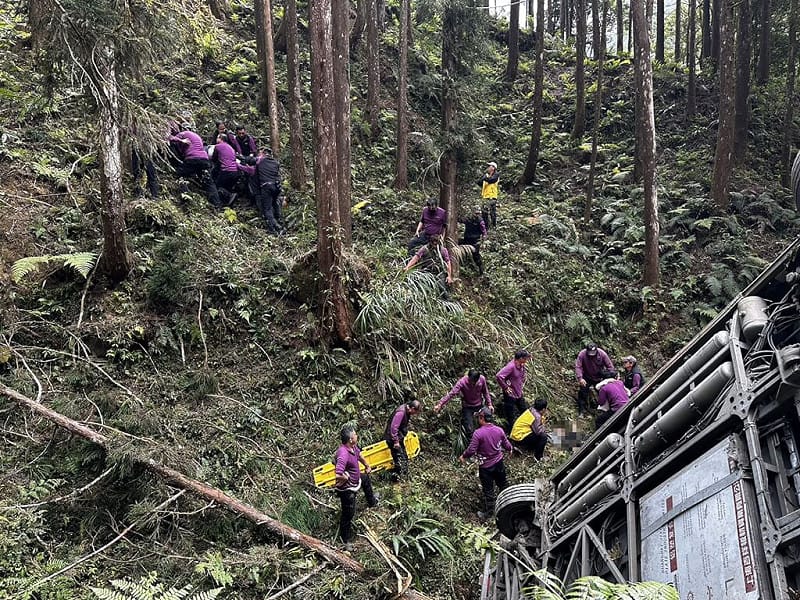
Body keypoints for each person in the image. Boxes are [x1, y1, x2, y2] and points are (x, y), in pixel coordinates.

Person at [459, 407, 512, 520]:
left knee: (488, 490)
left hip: (486, 467)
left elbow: (472, 450)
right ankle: (509, 504)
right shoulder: (499, 430)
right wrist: (510, 449)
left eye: (479, 417)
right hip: (499, 463)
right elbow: (506, 444)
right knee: (503, 484)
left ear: (482, 418)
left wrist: (464, 456)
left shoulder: (478, 433)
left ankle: (489, 513)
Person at [334, 424, 379, 546]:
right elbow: (338, 474)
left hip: (356, 480)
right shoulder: (343, 453)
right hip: (347, 489)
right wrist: (345, 477)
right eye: (355, 434)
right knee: (348, 514)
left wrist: (367, 465)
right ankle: (345, 540)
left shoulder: (353, 447)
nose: (357, 435)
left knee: (365, 479)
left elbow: (359, 455)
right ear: (350, 439)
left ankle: (372, 501)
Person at [169, 123, 220, 207]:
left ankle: (186, 199)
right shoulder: (197, 136)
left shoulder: (184, 133)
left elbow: (170, 138)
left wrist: (180, 140)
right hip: (204, 160)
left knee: (179, 174)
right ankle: (217, 204)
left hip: (192, 159)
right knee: (208, 182)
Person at [434, 369, 493, 440]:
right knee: (469, 429)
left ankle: (488, 440)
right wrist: (440, 404)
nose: (472, 383)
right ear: (468, 377)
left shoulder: (482, 379)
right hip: (468, 406)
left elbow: (485, 392)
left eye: (475, 382)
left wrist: (489, 404)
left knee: (488, 422)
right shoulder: (462, 382)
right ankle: (473, 443)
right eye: (471, 381)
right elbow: (452, 393)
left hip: (479, 405)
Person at [384, 398, 422, 481]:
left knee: (404, 456)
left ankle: (404, 476)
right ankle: (398, 479)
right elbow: (393, 428)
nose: (415, 414)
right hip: (393, 440)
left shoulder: (406, 411)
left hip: (398, 438)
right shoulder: (401, 412)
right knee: (400, 458)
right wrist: (396, 441)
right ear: (412, 408)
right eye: (415, 412)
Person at [575, 342, 615, 418]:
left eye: (593, 353)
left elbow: (610, 366)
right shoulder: (582, 354)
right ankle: (582, 410)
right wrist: (580, 378)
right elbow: (578, 366)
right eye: (590, 353)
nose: (591, 355)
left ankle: (606, 411)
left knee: (603, 392)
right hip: (587, 376)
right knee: (583, 393)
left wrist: (610, 377)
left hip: (599, 376)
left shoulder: (602, 354)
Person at [496, 349, 531, 433]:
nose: (527, 360)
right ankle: (512, 433)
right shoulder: (511, 366)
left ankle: (527, 429)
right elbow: (499, 376)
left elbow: (521, 376)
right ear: (521, 358)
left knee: (524, 411)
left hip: (518, 393)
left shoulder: (521, 366)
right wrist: (505, 387)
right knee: (510, 415)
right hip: (510, 395)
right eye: (525, 358)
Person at [254, 147, 284, 234]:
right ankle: (280, 221)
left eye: (260, 153)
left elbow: (251, 161)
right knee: (275, 203)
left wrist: (239, 157)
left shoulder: (260, 161)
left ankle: (274, 227)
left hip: (266, 186)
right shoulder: (276, 162)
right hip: (276, 186)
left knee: (267, 208)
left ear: (263, 154)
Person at [213, 134, 243, 206]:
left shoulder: (218, 146)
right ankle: (228, 202)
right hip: (235, 171)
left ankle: (229, 197)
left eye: (217, 138)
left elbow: (214, 158)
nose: (216, 139)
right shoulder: (231, 147)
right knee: (227, 188)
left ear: (220, 139)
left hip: (226, 170)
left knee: (217, 186)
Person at [459, 207, 488, 275]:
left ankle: (481, 271)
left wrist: (483, 243)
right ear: (473, 213)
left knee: (476, 256)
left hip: (475, 241)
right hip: (467, 239)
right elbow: (460, 220)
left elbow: (484, 232)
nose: (477, 215)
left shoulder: (480, 221)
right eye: (476, 213)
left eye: (478, 213)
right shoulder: (468, 219)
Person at [480, 161, 500, 228]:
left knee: (492, 212)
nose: (488, 167)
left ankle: (494, 226)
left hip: (492, 196)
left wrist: (484, 178)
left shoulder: (496, 175)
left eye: (489, 166)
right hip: (485, 196)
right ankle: (486, 227)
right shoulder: (486, 175)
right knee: (484, 212)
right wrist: (483, 178)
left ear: (493, 168)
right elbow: (479, 182)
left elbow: (492, 180)